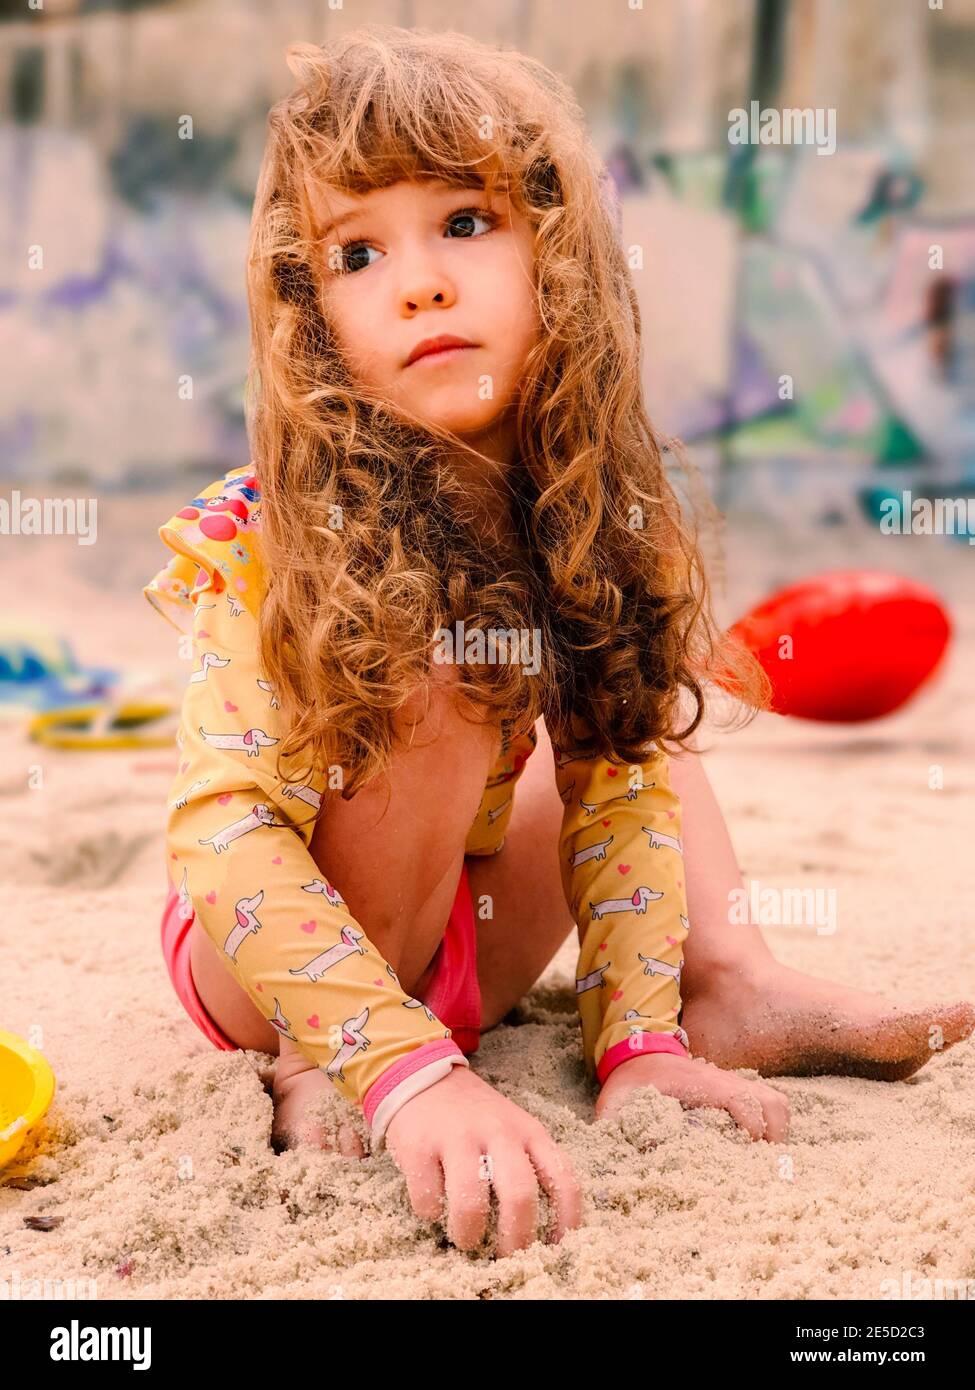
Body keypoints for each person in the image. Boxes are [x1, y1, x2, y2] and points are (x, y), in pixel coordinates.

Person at [144, 27, 974, 1258]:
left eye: (465, 225)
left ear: (556, 254)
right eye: (358, 253)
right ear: (313, 316)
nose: (418, 283)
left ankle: (711, 988)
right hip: (266, 962)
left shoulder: (574, 502)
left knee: (631, 680)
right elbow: (220, 838)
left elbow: (615, 779)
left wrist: (632, 1041)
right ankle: (336, 1055)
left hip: (464, 931)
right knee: (437, 657)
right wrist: (402, 1066)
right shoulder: (279, 533)